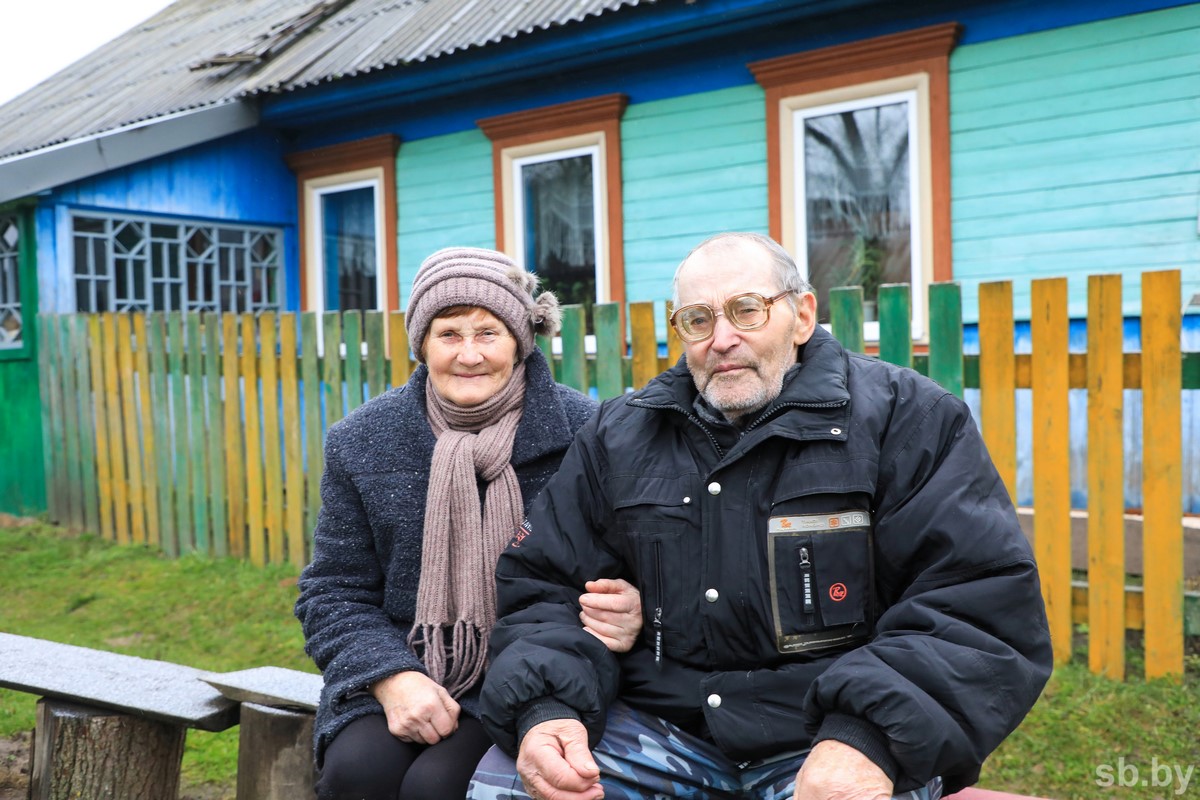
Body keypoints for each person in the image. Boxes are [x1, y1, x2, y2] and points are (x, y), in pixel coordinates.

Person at [469, 232, 1053, 800]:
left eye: (747, 311)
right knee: (507, 787)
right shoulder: (619, 435)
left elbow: (973, 603)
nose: (722, 339)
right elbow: (545, 585)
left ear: (802, 316)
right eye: (697, 319)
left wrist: (865, 738)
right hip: (662, 728)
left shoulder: (909, 420)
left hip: (825, 735)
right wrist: (546, 711)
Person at [295, 247, 642, 800]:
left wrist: (634, 602)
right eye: (449, 334)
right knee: (357, 774)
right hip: (404, 665)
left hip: (539, 673)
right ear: (422, 345)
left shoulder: (589, 432)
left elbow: (644, 560)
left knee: (440, 787)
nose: (469, 354)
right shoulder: (362, 441)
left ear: (520, 342)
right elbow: (334, 591)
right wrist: (392, 678)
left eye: (488, 333)